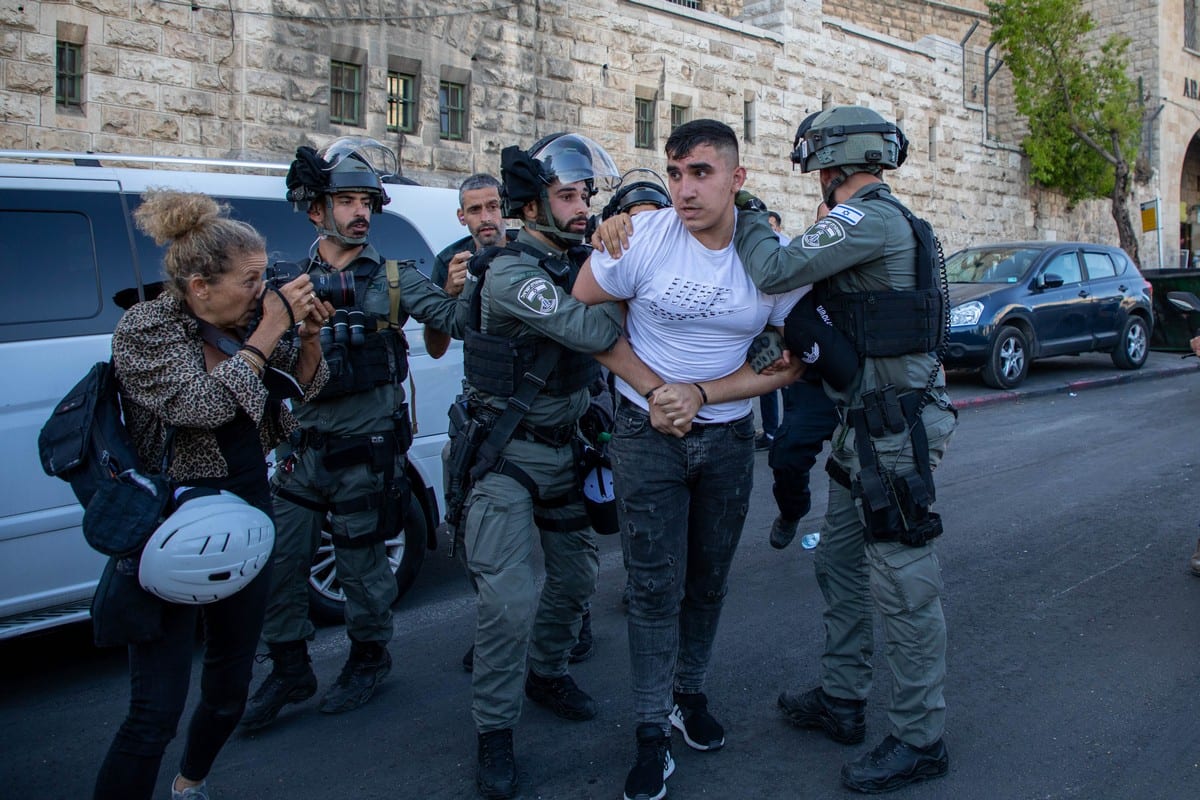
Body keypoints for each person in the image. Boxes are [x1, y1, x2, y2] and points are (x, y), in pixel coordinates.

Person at [729, 106, 959, 794]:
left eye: (816, 166)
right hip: (867, 427)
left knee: (904, 584)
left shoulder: (866, 218)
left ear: (832, 164)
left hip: (890, 431)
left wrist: (748, 210)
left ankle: (921, 739)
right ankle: (842, 697)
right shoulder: (882, 222)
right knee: (839, 562)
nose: (815, 179)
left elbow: (773, 269)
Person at [575, 118, 805, 800]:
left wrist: (702, 393)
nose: (684, 189)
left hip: (729, 439)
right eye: (675, 173)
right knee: (653, 588)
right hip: (646, 435)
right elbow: (582, 316)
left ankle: (688, 694)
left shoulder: (770, 259)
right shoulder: (641, 237)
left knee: (708, 581)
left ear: (737, 178)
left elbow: (791, 361)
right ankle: (650, 729)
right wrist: (656, 391)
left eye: (701, 172)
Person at [99, 189, 329, 800]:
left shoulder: (250, 321)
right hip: (171, 520)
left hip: (247, 506)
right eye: (251, 281)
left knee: (229, 689)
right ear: (200, 287)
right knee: (155, 710)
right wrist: (271, 328)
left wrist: (306, 337)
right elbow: (199, 406)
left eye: (265, 278)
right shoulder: (145, 329)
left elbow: (304, 390)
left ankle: (190, 783)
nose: (264, 291)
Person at [241, 137, 468, 731]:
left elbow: (455, 322)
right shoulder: (286, 281)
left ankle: (368, 657)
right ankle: (289, 666)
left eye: (367, 201)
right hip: (301, 452)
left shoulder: (395, 280)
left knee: (362, 565)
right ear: (317, 210)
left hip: (365, 455)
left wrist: (459, 287)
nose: (360, 212)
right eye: (347, 201)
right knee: (281, 562)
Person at [457, 132, 627, 800]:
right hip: (508, 452)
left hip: (567, 446)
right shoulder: (511, 274)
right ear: (531, 206)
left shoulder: (576, 258)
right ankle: (494, 730)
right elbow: (595, 332)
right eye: (568, 196)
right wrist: (624, 273)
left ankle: (547, 671)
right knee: (507, 601)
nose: (583, 207)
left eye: (586, 195)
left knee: (577, 576)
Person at [426, 173, 510, 358]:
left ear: (506, 208)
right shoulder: (450, 262)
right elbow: (435, 350)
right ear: (461, 216)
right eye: (475, 210)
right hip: (483, 366)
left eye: (493, 207)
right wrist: (448, 294)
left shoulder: (530, 249)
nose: (485, 218)